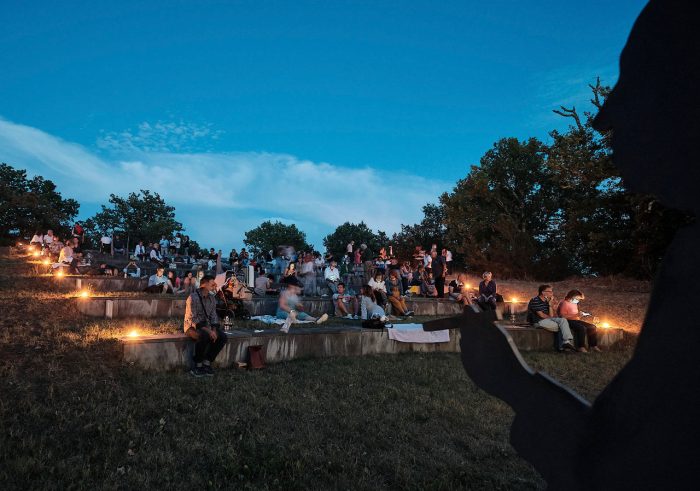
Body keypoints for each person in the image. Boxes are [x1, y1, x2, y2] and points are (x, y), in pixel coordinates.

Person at [183, 274, 227, 377]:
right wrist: (209, 331)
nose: (215, 285)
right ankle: (197, 365)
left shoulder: (212, 298)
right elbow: (193, 319)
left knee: (222, 337)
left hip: (206, 326)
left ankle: (207, 362)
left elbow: (213, 316)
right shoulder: (192, 297)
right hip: (191, 327)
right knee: (204, 335)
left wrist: (214, 330)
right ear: (204, 284)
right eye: (212, 284)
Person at [527, 285, 575, 351]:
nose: (552, 293)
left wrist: (550, 305)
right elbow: (541, 315)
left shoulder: (547, 301)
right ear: (543, 292)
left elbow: (551, 315)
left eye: (552, 291)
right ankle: (562, 347)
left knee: (563, 320)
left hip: (547, 319)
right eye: (549, 291)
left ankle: (566, 342)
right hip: (538, 321)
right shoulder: (535, 300)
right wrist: (551, 318)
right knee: (562, 326)